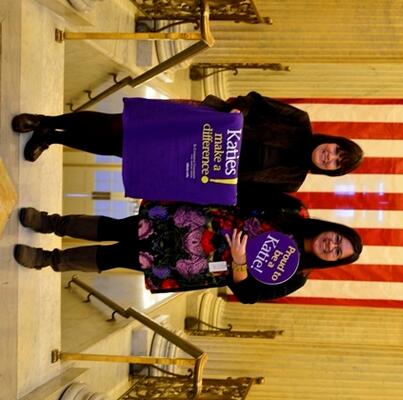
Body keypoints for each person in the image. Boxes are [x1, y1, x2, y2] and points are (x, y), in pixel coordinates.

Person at [13, 193, 362, 304]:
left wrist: (240, 263)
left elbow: (249, 295)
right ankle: (49, 223)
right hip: (187, 220)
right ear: (334, 229)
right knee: (115, 227)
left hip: (190, 264)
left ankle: (49, 259)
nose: (331, 245)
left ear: (331, 261)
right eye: (338, 239)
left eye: (337, 252)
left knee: (115, 256)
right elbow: (241, 189)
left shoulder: (297, 276)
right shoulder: (294, 211)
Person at [12, 91, 363, 192]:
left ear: (329, 171)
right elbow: (256, 101)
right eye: (336, 150)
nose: (329, 156)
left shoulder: (292, 181)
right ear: (332, 141)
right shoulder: (299, 121)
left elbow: (243, 192)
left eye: (335, 163)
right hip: (198, 124)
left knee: (122, 150)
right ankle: (46, 121)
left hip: (193, 165)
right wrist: (238, 110)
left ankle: (52, 139)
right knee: (119, 126)